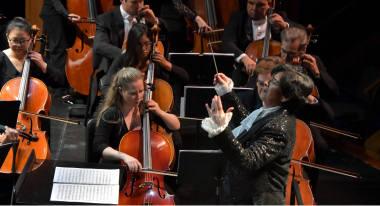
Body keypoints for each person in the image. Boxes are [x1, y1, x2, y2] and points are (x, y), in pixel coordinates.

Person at [201, 63, 314, 204]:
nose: (265, 83)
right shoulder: (272, 112)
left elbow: (248, 160)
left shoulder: (280, 126)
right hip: (243, 195)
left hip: (257, 200)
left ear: (286, 97)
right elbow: (250, 128)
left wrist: (221, 130)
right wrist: (227, 93)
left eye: (273, 82)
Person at [93, 67, 180, 169]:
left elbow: (175, 126)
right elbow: (98, 145)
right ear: (121, 91)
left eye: (141, 91)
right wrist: (124, 156)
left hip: (139, 167)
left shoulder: (145, 109)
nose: (138, 97)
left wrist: (160, 112)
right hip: (116, 167)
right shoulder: (110, 114)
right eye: (133, 93)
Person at [90, 0, 163, 113]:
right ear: (122, 0)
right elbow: (99, 45)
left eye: (141, 1)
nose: (139, 6)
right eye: (134, 2)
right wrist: (127, 54)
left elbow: (168, 35)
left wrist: (155, 21)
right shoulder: (106, 19)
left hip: (144, 69)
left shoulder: (146, 17)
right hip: (115, 68)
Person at [100, 23, 189, 108]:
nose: (143, 48)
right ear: (132, 44)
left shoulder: (156, 62)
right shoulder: (122, 60)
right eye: (139, 44)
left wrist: (166, 64)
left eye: (147, 43)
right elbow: (105, 88)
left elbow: (185, 77)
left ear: (152, 42)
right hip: (126, 108)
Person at [222, 0, 304, 86]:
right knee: (236, 89)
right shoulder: (238, 17)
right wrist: (244, 58)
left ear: (269, 4)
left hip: (275, 70)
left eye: (259, 5)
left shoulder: (280, 16)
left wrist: (285, 26)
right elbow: (227, 42)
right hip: (246, 69)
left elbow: (303, 32)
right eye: (251, 3)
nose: (254, 8)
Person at [0, 17, 64, 92]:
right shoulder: (1, 58)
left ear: (31, 38)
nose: (19, 45)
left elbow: (60, 83)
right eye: (14, 40)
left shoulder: (37, 59)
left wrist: (43, 65)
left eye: (23, 41)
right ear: (7, 37)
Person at [40, 0, 81, 103]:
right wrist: (67, 14)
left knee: (75, 45)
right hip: (54, 12)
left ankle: (80, 84)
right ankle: (61, 90)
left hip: (68, 10)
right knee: (60, 48)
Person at [280, 27, 338, 99]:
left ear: (303, 49)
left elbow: (333, 92)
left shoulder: (313, 61)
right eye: (283, 50)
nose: (285, 58)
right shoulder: (270, 61)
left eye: (291, 54)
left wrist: (317, 74)